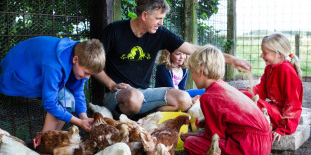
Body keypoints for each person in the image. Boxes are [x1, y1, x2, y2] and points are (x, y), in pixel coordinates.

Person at [94, 0, 252, 119]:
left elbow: (193, 49)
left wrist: (230, 59)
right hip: (117, 96)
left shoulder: (160, 33)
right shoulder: (114, 30)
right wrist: (111, 84)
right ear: (144, 15)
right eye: (158, 18)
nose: (161, 22)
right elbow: (92, 63)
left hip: (144, 94)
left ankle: (146, 120)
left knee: (184, 98)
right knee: (134, 98)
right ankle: (119, 121)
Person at [180, 45, 272, 155]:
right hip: (265, 145)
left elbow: (215, 137)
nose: (192, 77)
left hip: (250, 151)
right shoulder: (224, 87)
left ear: (201, 70)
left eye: (193, 72)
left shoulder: (209, 96)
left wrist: (193, 137)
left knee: (191, 144)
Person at [0, 36, 105, 132]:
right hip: (19, 67)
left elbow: (77, 90)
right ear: (75, 60)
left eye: (91, 75)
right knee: (65, 99)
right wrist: (78, 122)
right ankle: (44, 140)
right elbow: (50, 103)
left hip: (41, 64)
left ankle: (52, 137)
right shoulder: (54, 65)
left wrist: (84, 117)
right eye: (86, 73)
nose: (87, 77)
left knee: (68, 100)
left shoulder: (80, 55)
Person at [240, 32, 303, 142]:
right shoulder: (270, 68)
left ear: (279, 54)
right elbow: (262, 89)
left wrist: (283, 128)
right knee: (239, 94)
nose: (261, 56)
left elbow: (293, 105)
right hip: (273, 108)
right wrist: (244, 93)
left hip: (281, 114)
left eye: (265, 53)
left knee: (253, 105)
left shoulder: (286, 70)